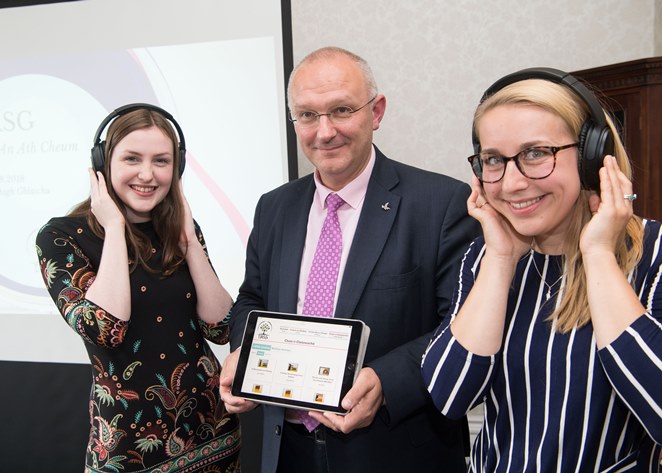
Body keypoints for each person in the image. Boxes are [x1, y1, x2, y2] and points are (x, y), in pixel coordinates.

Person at [219, 46, 480, 473]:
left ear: (376, 112)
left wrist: (386, 381)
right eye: (307, 115)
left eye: (341, 110)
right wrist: (245, 351)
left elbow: (462, 325)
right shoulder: (274, 207)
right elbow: (251, 299)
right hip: (285, 451)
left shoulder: (443, 203)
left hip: (394, 451)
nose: (324, 132)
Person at [422, 68, 662, 471]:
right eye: (494, 160)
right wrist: (500, 262)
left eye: (535, 153)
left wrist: (599, 254)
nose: (512, 183)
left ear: (591, 158)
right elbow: (450, 394)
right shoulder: (485, 256)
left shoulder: (653, 253)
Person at [35, 105, 241, 472]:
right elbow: (105, 329)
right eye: (132, 158)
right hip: (128, 444)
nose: (147, 174)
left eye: (161, 161)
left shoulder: (183, 228)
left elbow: (221, 327)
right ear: (102, 163)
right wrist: (114, 228)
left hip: (212, 433)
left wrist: (190, 244)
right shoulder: (61, 237)